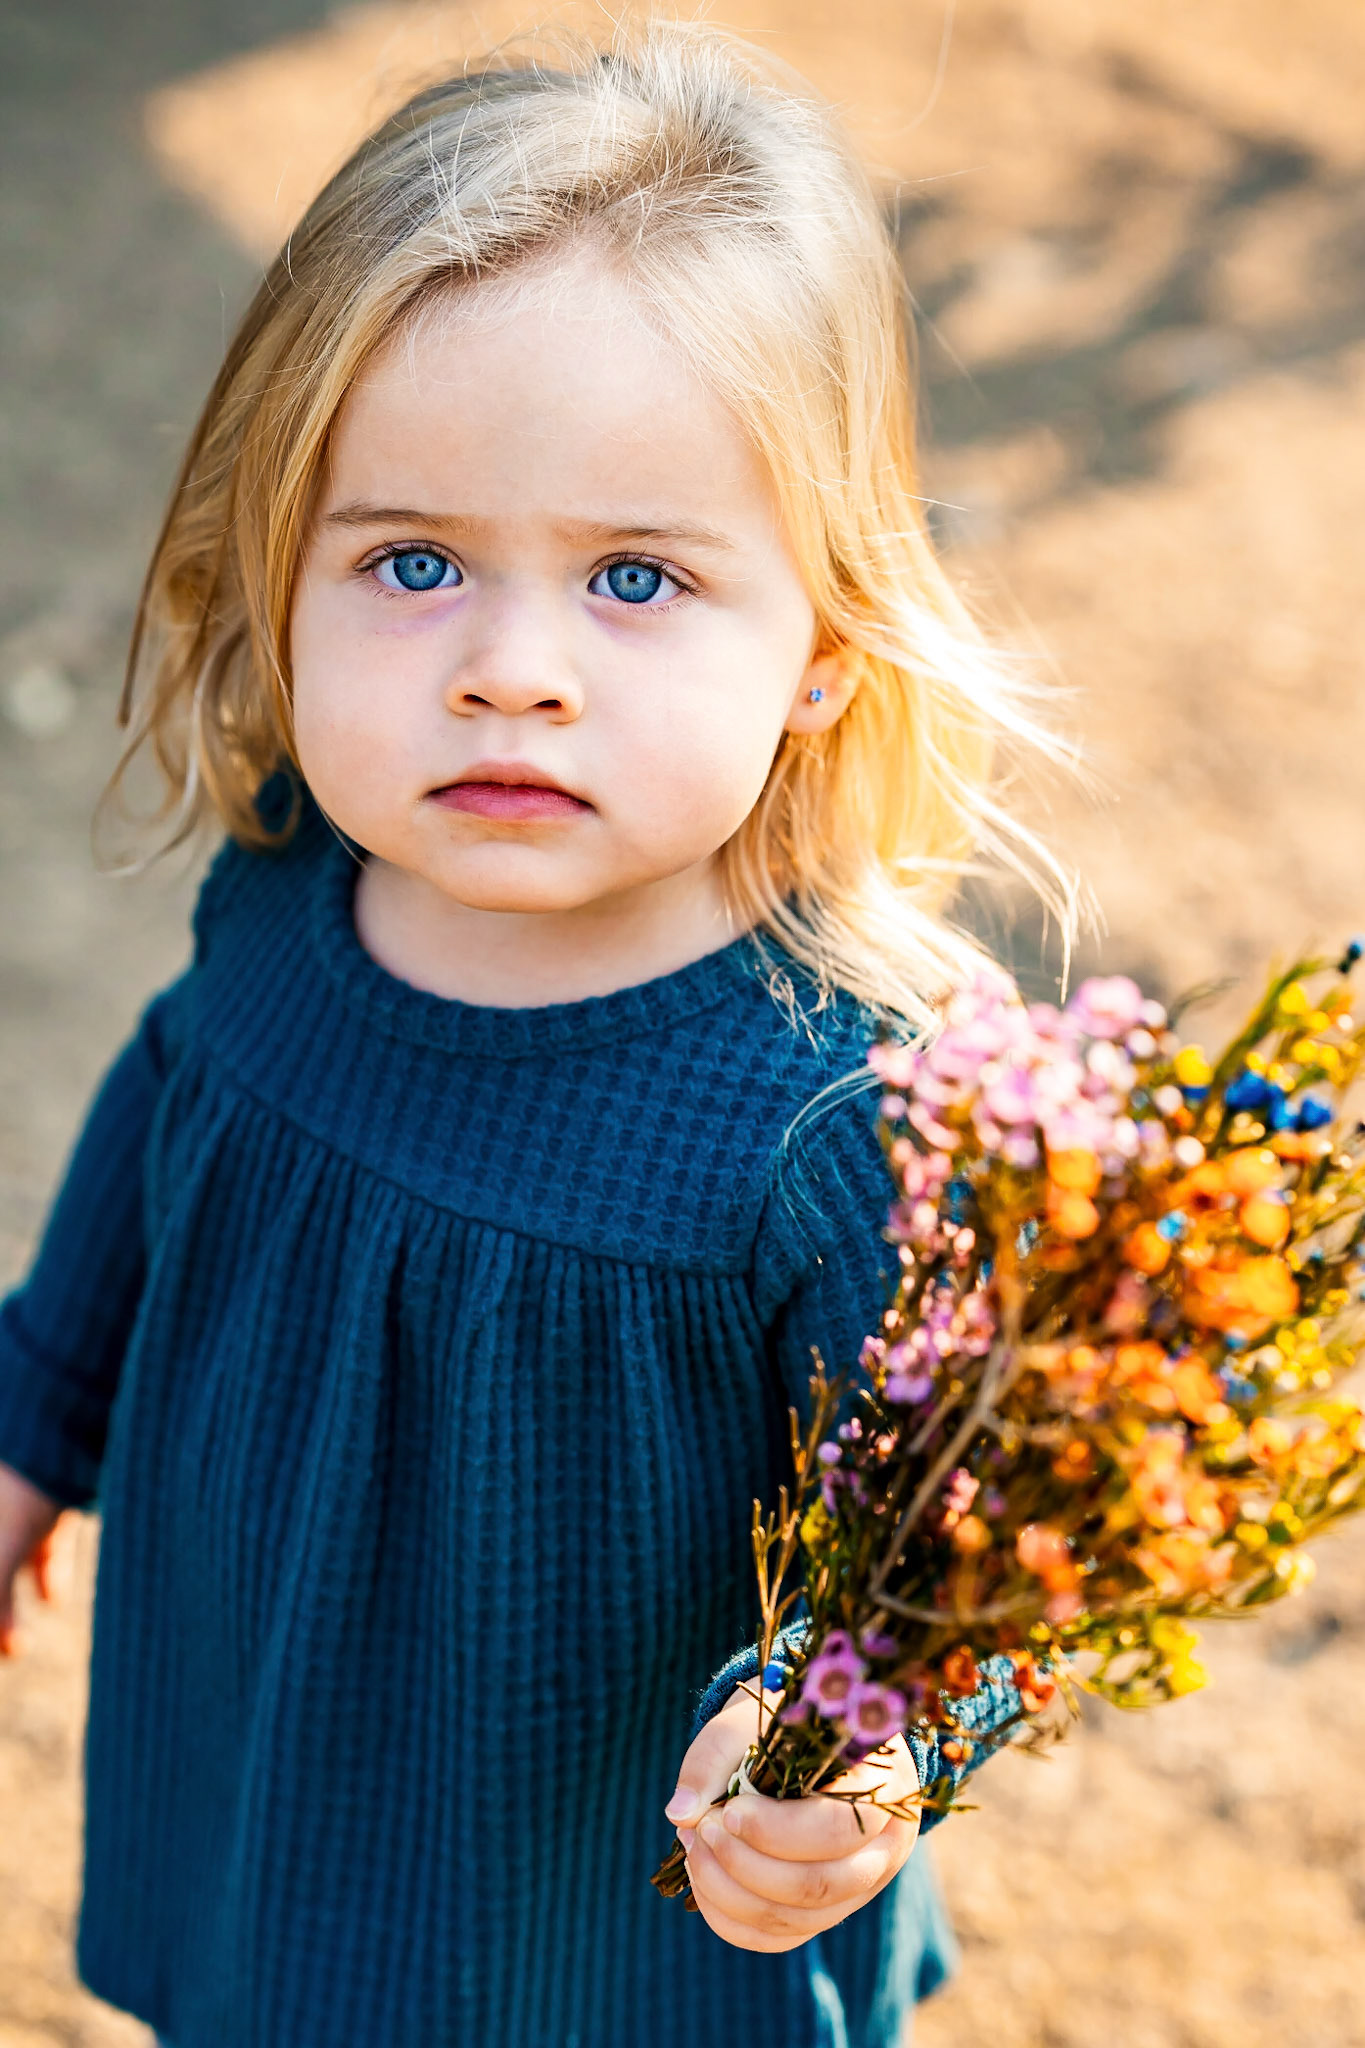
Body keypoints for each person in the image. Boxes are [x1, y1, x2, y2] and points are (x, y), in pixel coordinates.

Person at [0, 25, 1074, 2048]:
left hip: (607, 1947)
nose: (510, 671)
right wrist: (28, 1416)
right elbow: (172, 1111)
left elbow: (978, 1523)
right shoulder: (291, 885)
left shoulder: (824, 1108)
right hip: (273, 1801)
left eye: (634, 579)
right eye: (411, 562)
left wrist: (855, 1744)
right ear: (279, 574)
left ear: (823, 656)